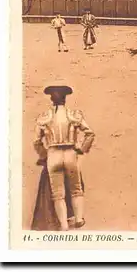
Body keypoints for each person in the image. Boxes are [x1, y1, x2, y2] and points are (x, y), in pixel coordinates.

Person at [33, 84, 95, 231]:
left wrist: (44, 155)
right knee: (76, 189)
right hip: (70, 153)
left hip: (53, 154)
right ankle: (79, 218)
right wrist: (81, 148)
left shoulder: (45, 117)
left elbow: (36, 141)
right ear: (65, 99)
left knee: (57, 193)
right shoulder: (73, 115)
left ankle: (64, 224)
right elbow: (90, 133)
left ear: (52, 99)